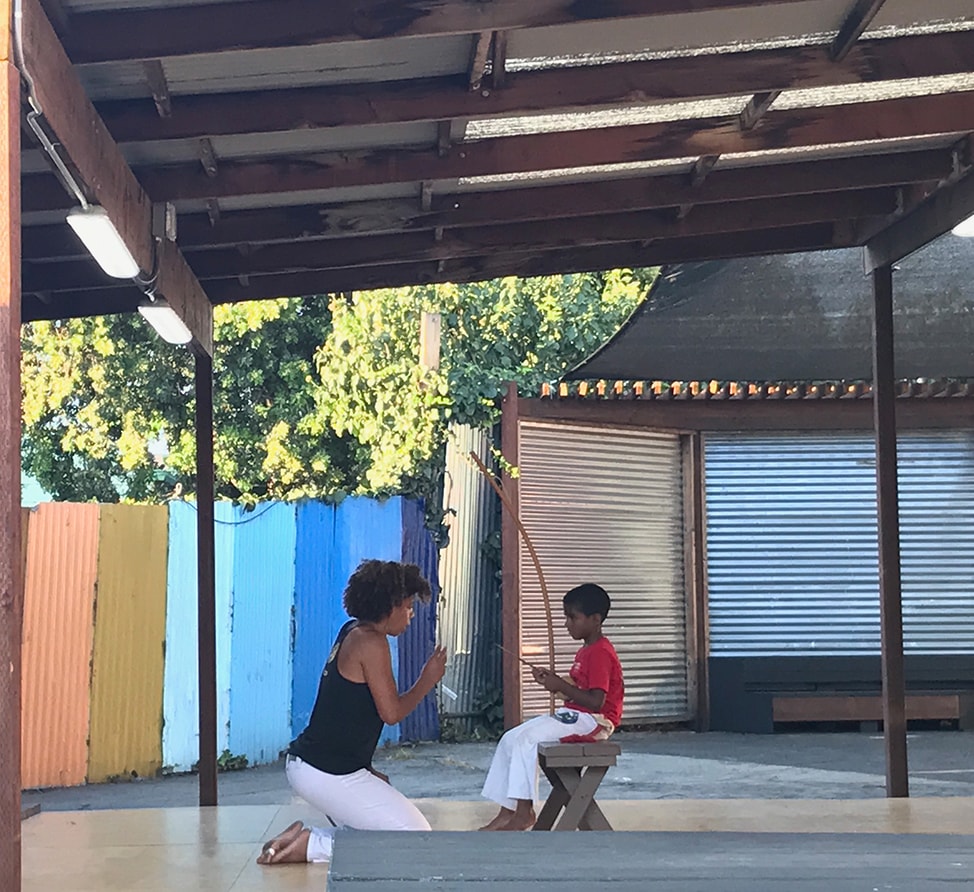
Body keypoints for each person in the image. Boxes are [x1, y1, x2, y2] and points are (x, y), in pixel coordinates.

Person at [257, 559, 447, 865]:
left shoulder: (352, 631)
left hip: (318, 765)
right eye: (408, 606)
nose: (411, 614)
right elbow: (391, 713)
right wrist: (428, 679)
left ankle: (300, 839)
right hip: (325, 772)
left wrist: (366, 772)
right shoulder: (371, 642)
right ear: (390, 606)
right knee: (414, 835)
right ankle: (310, 844)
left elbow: (344, 712)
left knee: (389, 831)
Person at [480, 583, 623, 831]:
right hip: (578, 715)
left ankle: (524, 812)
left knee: (527, 740)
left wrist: (561, 686)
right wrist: (555, 682)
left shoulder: (600, 652)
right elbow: (579, 689)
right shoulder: (586, 650)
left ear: (595, 619)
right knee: (511, 738)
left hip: (595, 721)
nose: (567, 623)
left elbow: (596, 702)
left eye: (572, 617)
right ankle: (507, 811)